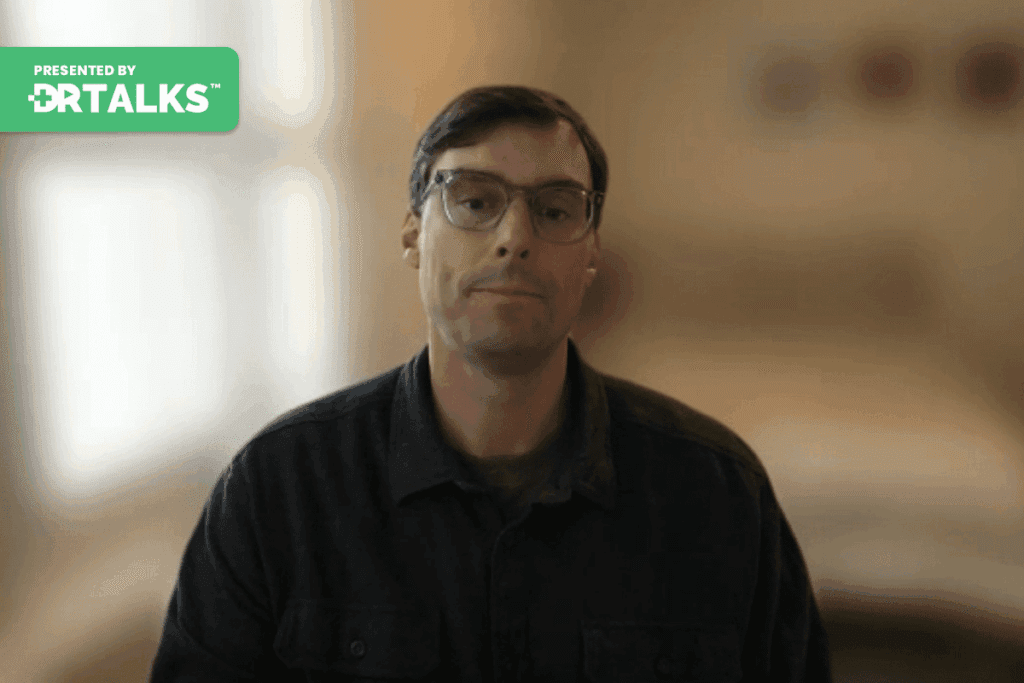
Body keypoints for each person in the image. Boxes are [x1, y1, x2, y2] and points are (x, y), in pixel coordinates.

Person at [150, 85, 833, 681]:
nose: (514, 238)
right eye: (474, 201)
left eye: (555, 210)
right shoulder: (280, 490)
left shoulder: (717, 495)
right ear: (414, 236)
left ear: (591, 252)